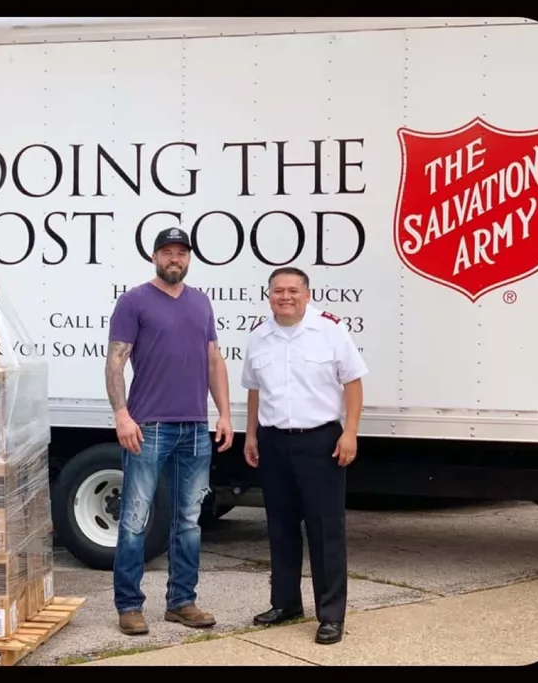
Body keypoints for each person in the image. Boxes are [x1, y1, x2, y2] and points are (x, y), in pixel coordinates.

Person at [105, 226, 234, 636]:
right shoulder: (134, 301)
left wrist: (225, 414)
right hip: (149, 427)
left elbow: (214, 360)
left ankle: (182, 602)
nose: (174, 258)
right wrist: (122, 414)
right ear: (155, 257)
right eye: (167, 252)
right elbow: (115, 361)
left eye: (181, 252)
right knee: (136, 517)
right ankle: (129, 605)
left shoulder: (201, 303)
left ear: (189, 258)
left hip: (195, 427)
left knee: (190, 520)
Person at [240, 266, 367, 645]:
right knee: (280, 526)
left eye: (293, 290)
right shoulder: (259, 337)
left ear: (307, 295)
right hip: (274, 441)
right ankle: (285, 603)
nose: (285, 297)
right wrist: (251, 435)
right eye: (278, 291)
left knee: (325, 530)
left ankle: (330, 615)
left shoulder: (329, 330)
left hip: (320, 441)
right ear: (269, 296)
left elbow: (354, 382)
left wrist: (350, 433)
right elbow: (253, 389)